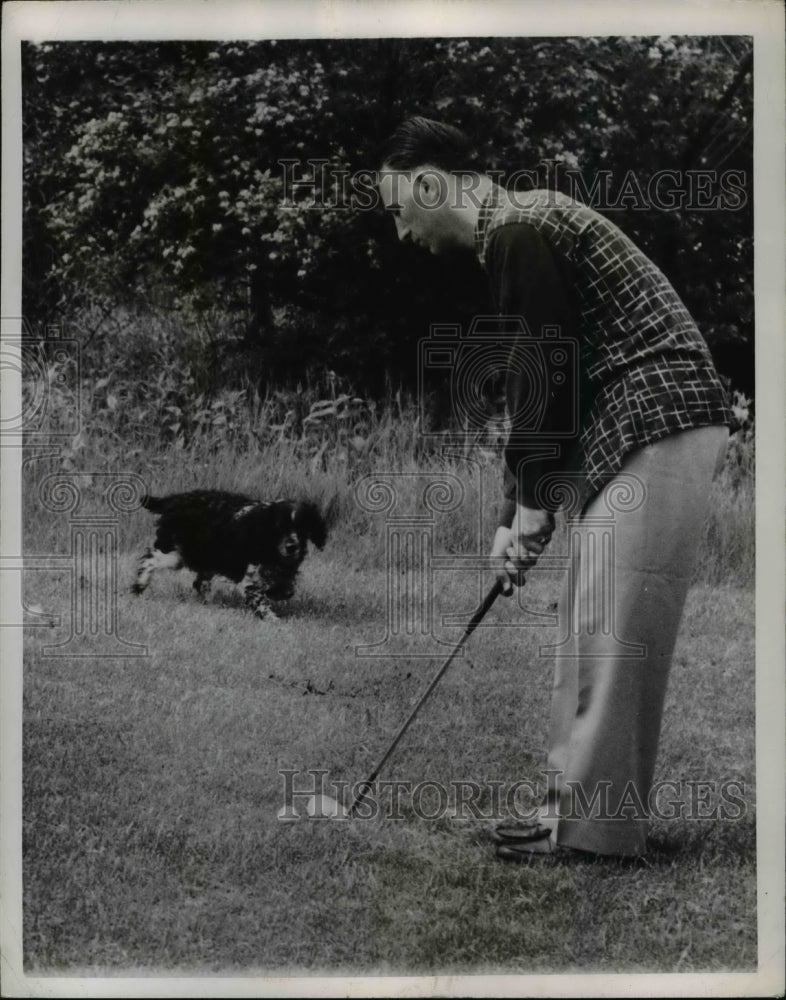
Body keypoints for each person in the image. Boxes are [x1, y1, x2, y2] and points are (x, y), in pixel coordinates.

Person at [376, 117, 733, 861]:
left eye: (397, 208)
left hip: (660, 413)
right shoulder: (512, 231)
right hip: (632, 420)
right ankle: (566, 817)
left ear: (428, 181)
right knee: (588, 618)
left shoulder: (518, 229)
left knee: (611, 627)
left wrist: (536, 505)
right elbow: (532, 386)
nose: (400, 230)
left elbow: (551, 370)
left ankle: (594, 836)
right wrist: (513, 515)